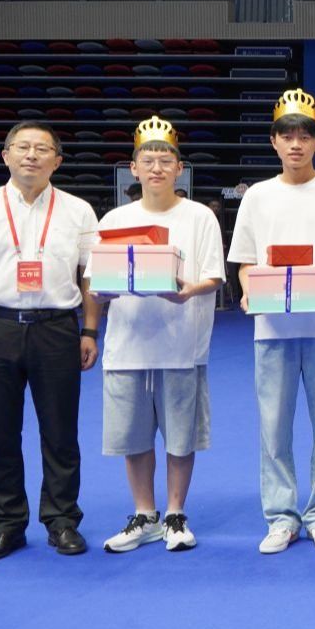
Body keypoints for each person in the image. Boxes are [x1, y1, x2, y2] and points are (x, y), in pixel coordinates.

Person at [0, 122, 100, 563]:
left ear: (57, 161)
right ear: (5, 155)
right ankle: (6, 525)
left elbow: (90, 278)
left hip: (56, 328)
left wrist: (89, 331)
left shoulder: (79, 211)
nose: (31, 155)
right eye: (22, 147)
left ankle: (62, 520)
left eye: (42, 149)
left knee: (61, 432)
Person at [229, 89, 315, 554]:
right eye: (286, 136)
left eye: (304, 136)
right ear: (274, 141)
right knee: (274, 427)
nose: (295, 144)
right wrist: (249, 289)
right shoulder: (258, 196)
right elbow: (245, 262)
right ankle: (281, 517)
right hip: (272, 330)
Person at [89, 118, 226, 554]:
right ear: (133, 168)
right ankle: (144, 514)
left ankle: (175, 513)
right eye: (147, 160)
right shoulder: (115, 219)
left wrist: (189, 290)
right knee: (133, 436)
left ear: (179, 168)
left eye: (165, 160)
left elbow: (214, 276)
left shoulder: (199, 217)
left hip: (182, 343)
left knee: (181, 436)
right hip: (127, 344)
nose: (156, 168)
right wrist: (102, 296)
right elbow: (97, 280)